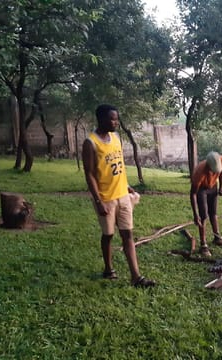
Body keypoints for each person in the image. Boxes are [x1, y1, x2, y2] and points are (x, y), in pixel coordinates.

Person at [82, 104, 155, 288]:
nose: (116, 122)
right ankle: (108, 269)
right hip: (105, 198)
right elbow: (89, 173)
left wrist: (128, 186)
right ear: (101, 119)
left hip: (122, 195)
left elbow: (118, 166)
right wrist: (98, 201)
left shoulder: (116, 138)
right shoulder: (91, 143)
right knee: (108, 235)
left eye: (117, 119)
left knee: (127, 234)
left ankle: (136, 277)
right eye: (112, 119)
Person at [190, 151, 222, 257]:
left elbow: (221, 172)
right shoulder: (200, 172)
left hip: (213, 187)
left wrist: (221, 187)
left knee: (213, 213)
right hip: (201, 189)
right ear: (209, 166)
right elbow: (193, 194)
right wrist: (195, 215)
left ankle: (217, 237)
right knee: (203, 216)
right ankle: (203, 245)